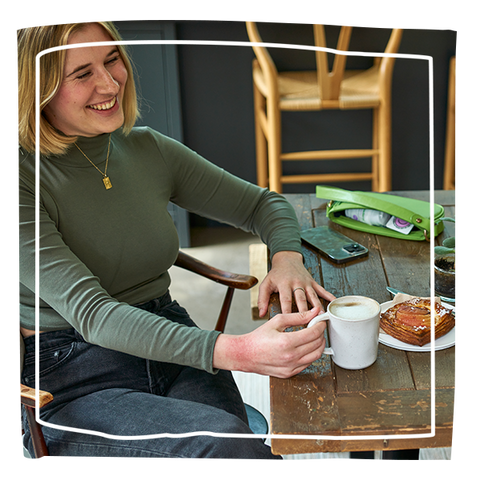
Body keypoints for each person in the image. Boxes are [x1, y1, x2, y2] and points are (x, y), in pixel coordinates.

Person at [16, 19, 335, 461]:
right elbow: (94, 315)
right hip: (74, 371)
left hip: (165, 330)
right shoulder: (22, 178)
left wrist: (286, 260)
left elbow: (264, 205)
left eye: (112, 60)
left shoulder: (144, 148)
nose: (109, 83)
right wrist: (238, 350)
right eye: (82, 73)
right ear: (41, 87)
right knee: (224, 446)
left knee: (238, 446)